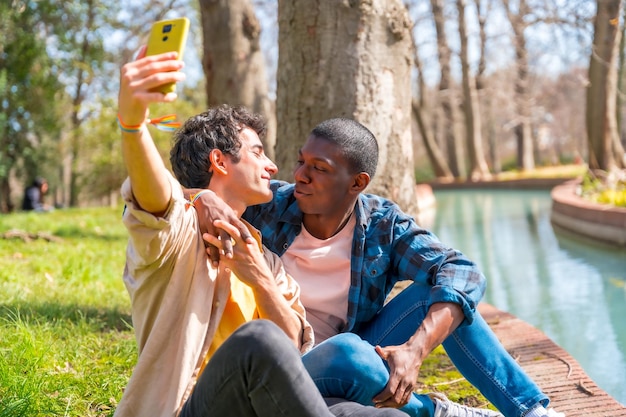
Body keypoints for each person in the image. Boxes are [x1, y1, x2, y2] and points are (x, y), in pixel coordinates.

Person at [193, 118, 564, 417]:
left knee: (437, 297)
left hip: (356, 357)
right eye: (301, 161)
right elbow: (153, 204)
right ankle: (432, 411)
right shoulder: (270, 204)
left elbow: (463, 272)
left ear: (357, 183)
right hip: (284, 362)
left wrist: (414, 351)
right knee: (350, 353)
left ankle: (530, 412)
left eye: (319, 168)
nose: (301, 175)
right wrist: (202, 196)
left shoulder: (383, 226)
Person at [115, 47, 407, 417]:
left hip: (266, 405)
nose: (273, 165)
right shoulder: (176, 233)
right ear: (219, 160)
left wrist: (258, 278)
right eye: (257, 152)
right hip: (189, 409)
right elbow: (154, 195)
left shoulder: (264, 255)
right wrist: (132, 124)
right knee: (258, 340)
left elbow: (294, 353)